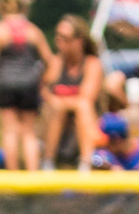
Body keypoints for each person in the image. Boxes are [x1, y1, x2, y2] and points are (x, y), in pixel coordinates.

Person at [0, 0, 55, 171]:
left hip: (5, 84)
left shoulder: (2, 31)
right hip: (29, 85)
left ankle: (13, 174)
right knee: (29, 132)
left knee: (10, 131)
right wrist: (43, 82)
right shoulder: (33, 31)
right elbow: (50, 60)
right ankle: (32, 174)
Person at [42, 14, 105, 169]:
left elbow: (87, 98)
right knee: (56, 106)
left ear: (79, 41)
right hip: (54, 119)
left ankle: (85, 163)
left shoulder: (92, 64)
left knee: (82, 107)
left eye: (64, 38)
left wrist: (59, 100)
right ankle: (48, 162)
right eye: (57, 36)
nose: (58, 41)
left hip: (86, 122)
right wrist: (56, 101)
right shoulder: (55, 63)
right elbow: (43, 92)